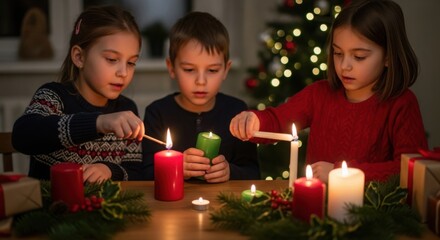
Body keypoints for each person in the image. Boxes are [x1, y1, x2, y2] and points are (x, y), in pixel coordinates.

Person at [229, 0, 428, 183]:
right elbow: (279, 120)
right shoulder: (319, 94)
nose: (344, 65)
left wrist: (341, 173)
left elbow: (411, 169)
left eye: (359, 57)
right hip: (315, 213)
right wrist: (254, 121)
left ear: (388, 57)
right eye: (338, 53)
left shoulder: (402, 104)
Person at [12, 5, 146, 183]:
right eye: (112, 60)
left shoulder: (127, 108)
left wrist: (109, 170)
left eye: (131, 63)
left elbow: (135, 172)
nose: (123, 72)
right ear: (79, 57)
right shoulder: (54, 97)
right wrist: (98, 123)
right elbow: (23, 136)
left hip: (107, 209)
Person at [143, 11, 260, 183]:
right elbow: (143, 174)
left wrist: (230, 172)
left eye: (212, 70)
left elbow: (253, 173)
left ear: (226, 70)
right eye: (189, 70)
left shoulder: (237, 111)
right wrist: (175, 167)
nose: (201, 81)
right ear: (171, 67)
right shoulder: (158, 113)